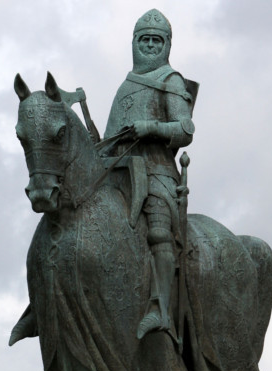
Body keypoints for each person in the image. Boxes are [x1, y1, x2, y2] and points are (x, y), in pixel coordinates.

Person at [104, 8, 196, 339]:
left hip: (157, 171)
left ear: (167, 45)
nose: (151, 46)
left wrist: (150, 127)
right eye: (145, 39)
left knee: (159, 230)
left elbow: (185, 129)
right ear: (134, 43)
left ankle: (160, 308)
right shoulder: (125, 86)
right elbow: (110, 135)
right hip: (119, 171)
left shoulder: (170, 80)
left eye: (157, 40)